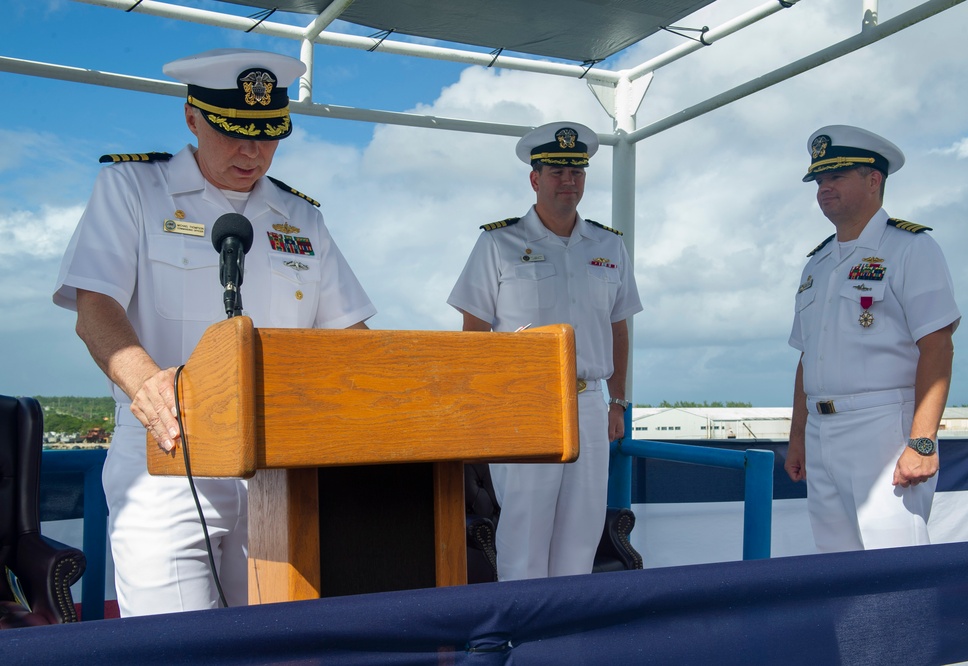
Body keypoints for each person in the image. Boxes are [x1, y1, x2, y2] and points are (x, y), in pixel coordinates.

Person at [52, 49, 376, 616]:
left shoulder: (302, 218)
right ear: (192, 117)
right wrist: (149, 384)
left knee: (274, 640)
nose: (252, 152)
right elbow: (95, 307)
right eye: (234, 132)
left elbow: (352, 334)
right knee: (175, 643)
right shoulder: (133, 187)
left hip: (278, 463)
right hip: (168, 451)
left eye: (268, 135)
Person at [448, 121, 642, 580]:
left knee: (583, 530)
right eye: (556, 171)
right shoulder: (499, 242)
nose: (567, 181)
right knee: (524, 531)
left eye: (576, 172)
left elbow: (618, 328)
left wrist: (618, 402)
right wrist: (482, 409)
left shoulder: (609, 245)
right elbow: (473, 332)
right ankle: (522, 636)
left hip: (590, 403)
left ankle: (567, 639)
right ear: (535, 179)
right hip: (523, 404)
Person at [785, 125, 959, 552]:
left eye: (837, 177)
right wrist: (798, 437)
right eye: (820, 181)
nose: (825, 188)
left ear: (874, 180)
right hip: (822, 433)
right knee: (838, 567)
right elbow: (808, 359)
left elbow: (937, 345)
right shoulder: (818, 264)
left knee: (894, 564)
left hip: (882, 427)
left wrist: (922, 441)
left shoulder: (910, 248)